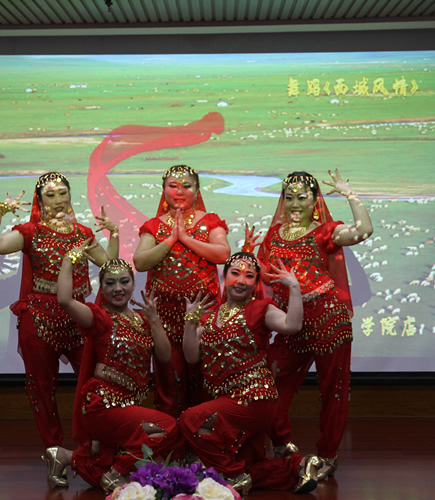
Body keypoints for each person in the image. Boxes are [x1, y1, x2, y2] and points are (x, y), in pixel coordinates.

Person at [0, 172, 118, 487]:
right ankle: (54, 451)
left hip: (78, 318)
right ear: (40, 201)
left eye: (62, 193)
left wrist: (113, 234)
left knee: (94, 384)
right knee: (42, 389)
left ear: (70, 196)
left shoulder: (82, 233)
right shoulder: (30, 232)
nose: (58, 200)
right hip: (39, 319)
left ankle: (93, 452)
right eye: (50, 195)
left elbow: (109, 263)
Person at [252, 169, 373, 480]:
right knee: (271, 386)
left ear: (315, 200)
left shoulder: (325, 232)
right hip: (290, 325)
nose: (295, 204)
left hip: (327, 322)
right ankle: (282, 444)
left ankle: (328, 455)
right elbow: (264, 272)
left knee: (332, 391)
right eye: (289, 197)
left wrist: (349, 194)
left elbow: (363, 230)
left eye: (302, 198)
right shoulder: (274, 234)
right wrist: (250, 255)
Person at [180, 252, 322, 495]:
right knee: (248, 463)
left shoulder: (260, 309)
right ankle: (299, 467)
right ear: (225, 277)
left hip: (254, 398)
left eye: (248, 276)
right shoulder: (211, 316)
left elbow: (292, 325)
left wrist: (294, 288)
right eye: (235, 274)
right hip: (228, 401)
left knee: (190, 420)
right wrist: (190, 322)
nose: (241, 281)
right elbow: (192, 356)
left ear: (255, 283)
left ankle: (234, 475)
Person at [56, 255, 183, 492]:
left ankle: (62, 456)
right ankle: (116, 473)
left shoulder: (143, 321)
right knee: (168, 426)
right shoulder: (101, 319)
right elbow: (64, 300)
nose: (118, 288)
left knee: (102, 467)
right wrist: (68, 260)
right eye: (110, 283)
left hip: (128, 406)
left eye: (124, 282)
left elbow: (165, 356)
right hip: (102, 405)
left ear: (133, 285)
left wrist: (154, 319)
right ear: (102, 288)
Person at [133, 164, 231, 418]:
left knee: (205, 378)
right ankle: (172, 436)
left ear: (197, 191)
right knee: (170, 382)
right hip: (164, 319)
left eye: (187, 186)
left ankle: (203, 436)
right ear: (163, 190)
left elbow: (223, 254)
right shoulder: (153, 226)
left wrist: (186, 239)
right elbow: (140, 262)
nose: (179, 191)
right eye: (173, 186)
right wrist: (170, 240)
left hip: (203, 317)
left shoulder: (210, 221)